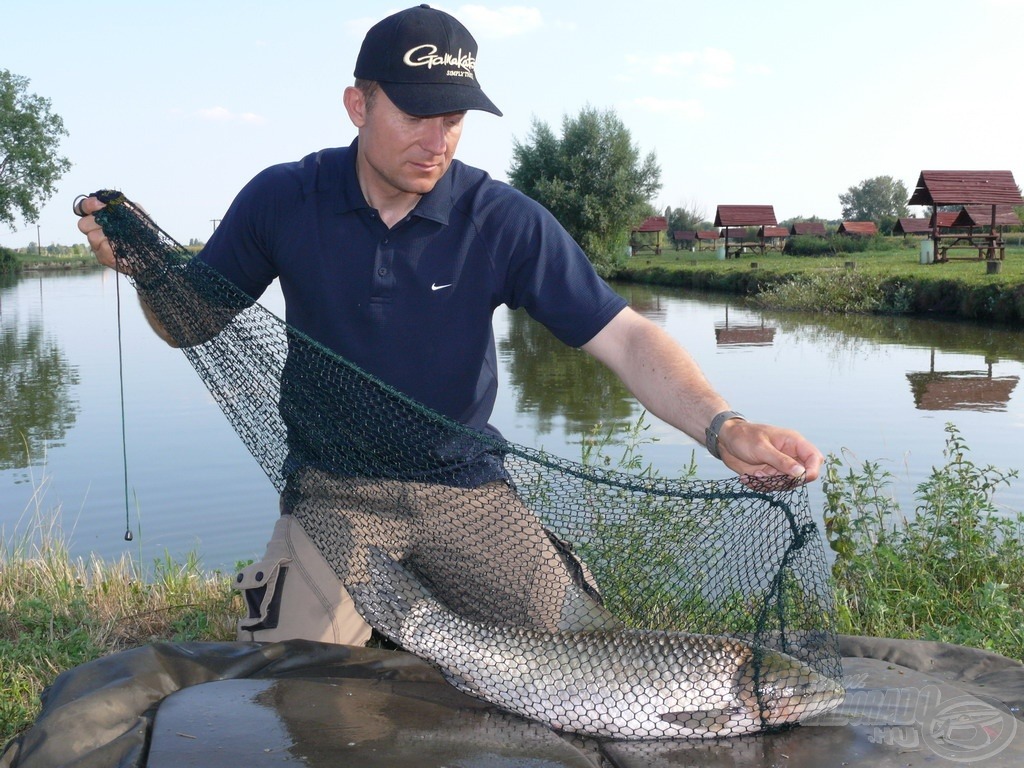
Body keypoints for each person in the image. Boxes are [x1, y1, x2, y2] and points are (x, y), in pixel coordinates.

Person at [78, 4, 823, 647]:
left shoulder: (501, 219)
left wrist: (725, 427)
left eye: (454, 118)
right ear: (357, 104)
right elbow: (189, 325)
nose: (437, 140)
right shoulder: (284, 197)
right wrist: (147, 271)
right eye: (414, 113)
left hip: (468, 493)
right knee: (294, 678)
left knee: (582, 655)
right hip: (335, 494)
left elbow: (626, 338)